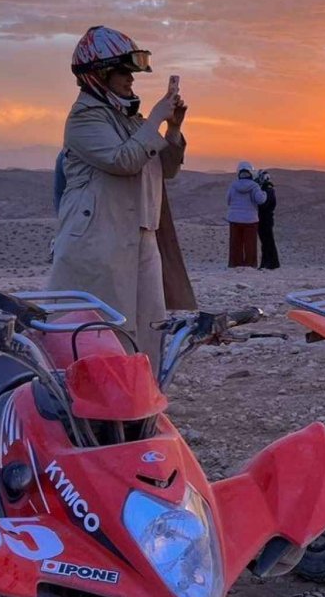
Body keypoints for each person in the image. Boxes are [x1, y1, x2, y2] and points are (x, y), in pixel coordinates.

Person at [47, 25, 195, 359]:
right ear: (99, 75)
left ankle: (142, 402)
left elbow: (165, 169)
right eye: (122, 72)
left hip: (140, 237)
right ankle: (98, 405)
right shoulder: (84, 119)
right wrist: (155, 117)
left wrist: (173, 128)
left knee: (149, 328)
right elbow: (123, 161)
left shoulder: (128, 119)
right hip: (100, 241)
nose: (130, 79)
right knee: (102, 330)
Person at [226, 162, 266, 267]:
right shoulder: (254, 186)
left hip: (234, 219)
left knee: (235, 243)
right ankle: (250, 264)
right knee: (250, 244)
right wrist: (264, 193)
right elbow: (260, 200)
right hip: (250, 220)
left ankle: (235, 263)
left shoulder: (233, 185)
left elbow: (228, 200)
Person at [256, 169, 280, 270]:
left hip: (265, 219)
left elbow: (265, 204)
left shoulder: (267, 189)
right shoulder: (268, 189)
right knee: (267, 241)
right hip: (266, 218)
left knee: (267, 242)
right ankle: (268, 263)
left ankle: (270, 263)